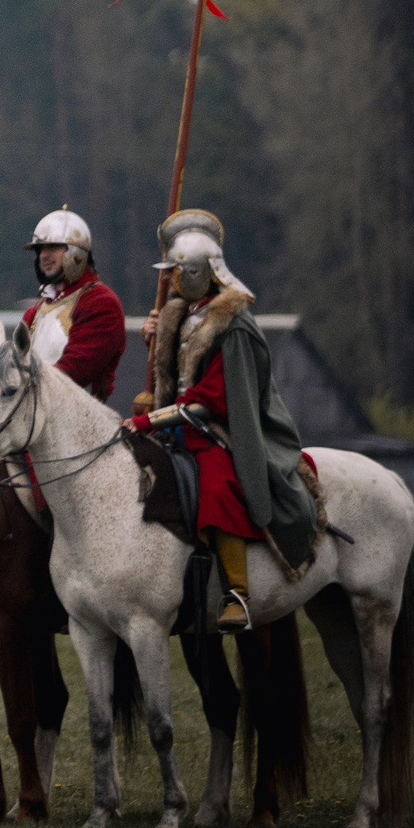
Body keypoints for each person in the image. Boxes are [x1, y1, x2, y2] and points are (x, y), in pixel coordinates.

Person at [128, 209, 318, 632]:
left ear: (198, 272)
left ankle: (237, 594)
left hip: (221, 427)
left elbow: (210, 399)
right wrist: (156, 342)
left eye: (178, 272)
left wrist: (149, 422)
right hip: (177, 422)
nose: (173, 280)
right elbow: (175, 378)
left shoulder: (234, 325)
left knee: (216, 484)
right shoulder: (181, 314)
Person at [19, 208, 125, 400]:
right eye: (40, 249)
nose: (44, 255)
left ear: (75, 252)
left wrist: (20, 395)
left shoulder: (100, 303)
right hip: (34, 414)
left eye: (52, 247)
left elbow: (73, 373)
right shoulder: (36, 311)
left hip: (79, 421)